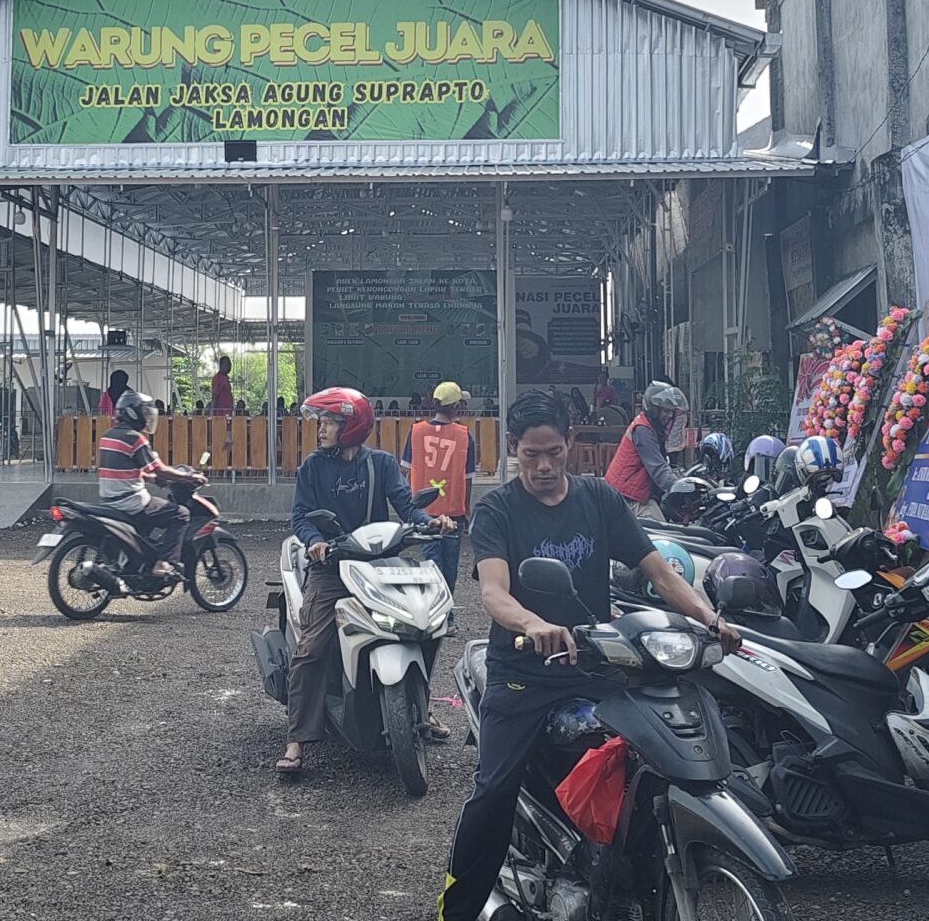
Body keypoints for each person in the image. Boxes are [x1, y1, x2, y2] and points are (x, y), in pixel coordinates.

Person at [436, 390, 741, 921]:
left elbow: (660, 572)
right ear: (513, 448)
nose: (545, 466)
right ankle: (456, 906)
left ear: (570, 444)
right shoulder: (497, 510)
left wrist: (711, 619)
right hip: (522, 675)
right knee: (493, 791)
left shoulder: (599, 500)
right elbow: (493, 592)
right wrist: (534, 625)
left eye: (554, 451)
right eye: (532, 455)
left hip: (596, 665)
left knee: (651, 762)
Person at [278, 386, 455, 776]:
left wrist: (432, 522)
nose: (321, 429)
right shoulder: (313, 467)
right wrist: (316, 543)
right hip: (332, 569)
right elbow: (301, 517)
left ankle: (420, 709)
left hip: (379, 561)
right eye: (321, 422)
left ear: (351, 427)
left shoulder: (381, 464)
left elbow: (406, 506)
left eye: (329, 422)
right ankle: (296, 737)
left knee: (424, 623)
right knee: (311, 648)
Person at [95, 390, 183, 581]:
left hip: (108, 500)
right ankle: (163, 563)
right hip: (131, 502)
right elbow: (160, 470)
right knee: (181, 514)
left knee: (147, 521)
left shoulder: (108, 436)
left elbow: (120, 466)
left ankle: (137, 561)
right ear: (134, 414)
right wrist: (189, 477)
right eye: (145, 413)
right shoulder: (135, 438)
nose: (147, 418)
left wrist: (146, 477)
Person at [404, 382, 476, 586]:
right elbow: (468, 477)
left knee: (430, 562)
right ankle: (448, 611)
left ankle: (435, 610)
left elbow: (406, 468)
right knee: (450, 564)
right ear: (456, 407)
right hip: (453, 510)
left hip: (424, 511)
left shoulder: (416, 431)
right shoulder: (464, 435)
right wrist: (466, 509)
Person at [603, 380, 689, 521]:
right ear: (654, 409)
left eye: (671, 412)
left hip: (635, 492)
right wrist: (680, 488)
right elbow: (658, 469)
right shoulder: (643, 430)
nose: (669, 416)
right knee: (664, 534)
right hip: (626, 497)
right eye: (666, 410)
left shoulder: (652, 428)